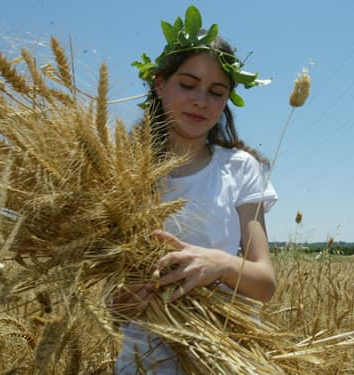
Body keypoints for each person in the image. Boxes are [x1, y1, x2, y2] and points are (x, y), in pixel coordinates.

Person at [113, 6, 277, 374]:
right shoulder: (121, 171)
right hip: (145, 360)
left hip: (223, 356)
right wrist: (120, 304)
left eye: (216, 92)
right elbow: (107, 299)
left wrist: (218, 264)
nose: (201, 101)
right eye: (187, 85)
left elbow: (265, 283)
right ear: (159, 83)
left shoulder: (239, 168)